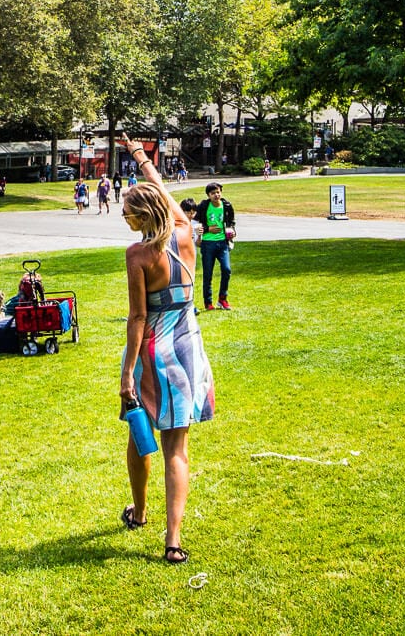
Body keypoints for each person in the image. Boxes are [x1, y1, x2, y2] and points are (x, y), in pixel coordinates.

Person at [118, 134, 214, 565]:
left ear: (141, 217)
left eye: (126, 214)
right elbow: (162, 188)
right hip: (189, 349)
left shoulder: (138, 255)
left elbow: (137, 318)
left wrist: (126, 374)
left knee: (141, 437)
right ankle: (172, 540)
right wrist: (139, 156)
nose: (124, 219)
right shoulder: (186, 232)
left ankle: (139, 513)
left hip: (154, 354)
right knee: (178, 448)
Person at [194, 182, 236, 311]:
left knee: (226, 269)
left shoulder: (227, 206)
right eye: (213, 193)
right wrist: (207, 229)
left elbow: (232, 222)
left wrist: (232, 231)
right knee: (208, 274)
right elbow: (195, 222)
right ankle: (208, 303)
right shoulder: (204, 206)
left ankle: (222, 299)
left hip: (223, 243)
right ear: (208, 195)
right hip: (207, 244)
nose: (216, 195)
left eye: (218, 192)